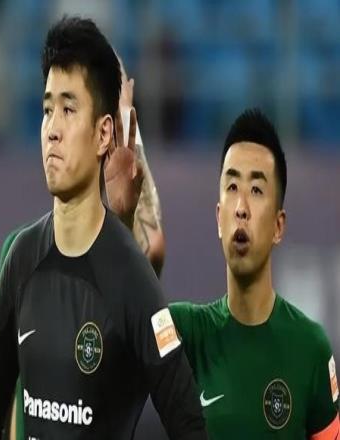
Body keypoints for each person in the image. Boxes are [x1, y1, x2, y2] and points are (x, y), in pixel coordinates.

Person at [0, 16, 206, 439]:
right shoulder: (21, 259)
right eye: (47, 110)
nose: (52, 131)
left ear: (103, 134)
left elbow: (189, 425)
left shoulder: (131, 277)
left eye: (68, 109)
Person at [110, 106, 340, 438]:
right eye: (232, 187)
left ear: (278, 226)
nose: (241, 207)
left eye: (256, 190)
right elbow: (106, 355)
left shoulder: (310, 348)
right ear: (219, 218)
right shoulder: (184, 332)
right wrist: (121, 222)